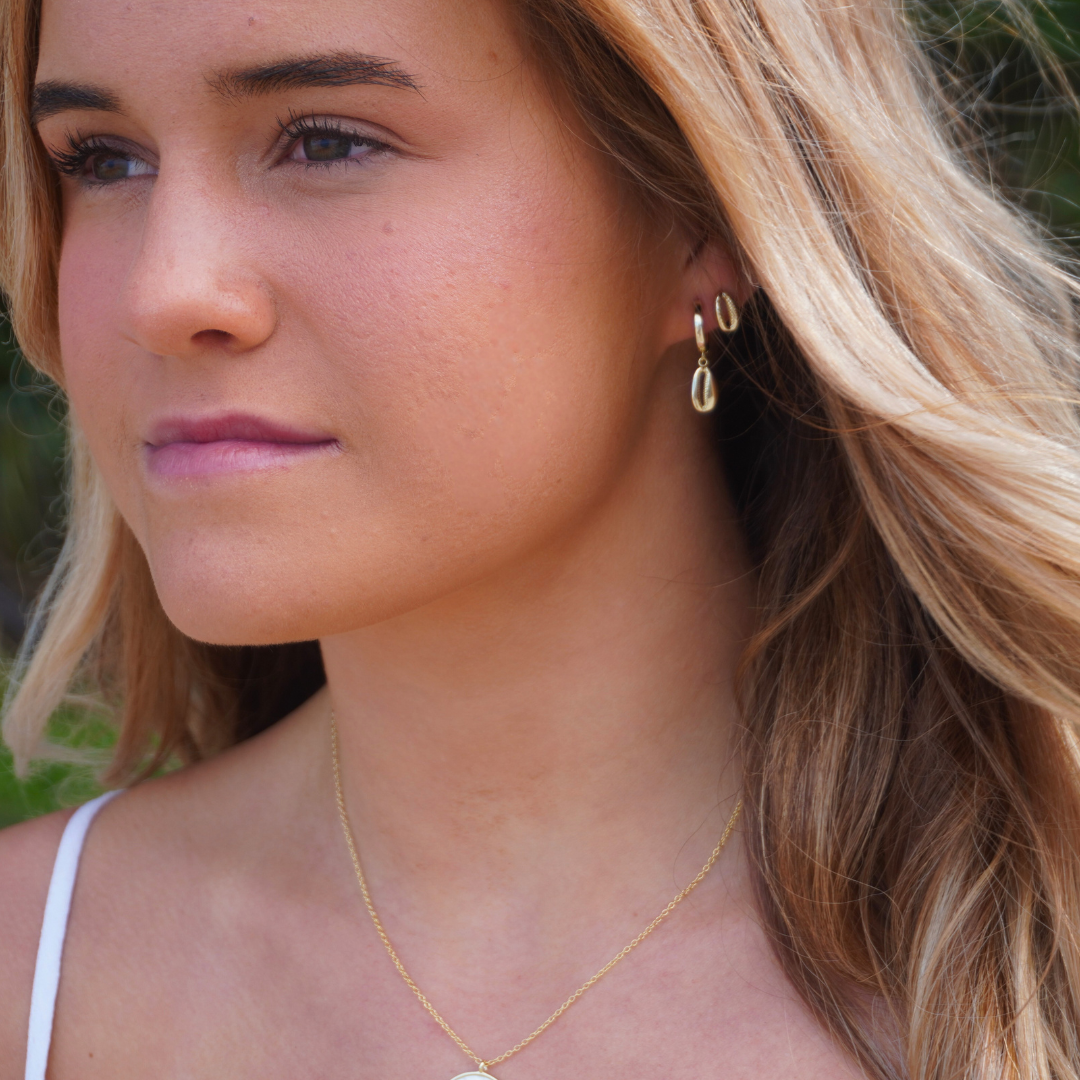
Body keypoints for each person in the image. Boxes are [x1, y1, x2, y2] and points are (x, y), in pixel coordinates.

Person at [1, 0, 1079, 1075]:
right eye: (102, 160)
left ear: (701, 215)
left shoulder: (1039, 966)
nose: (165, 291)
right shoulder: (27, 976)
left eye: (329, 139)